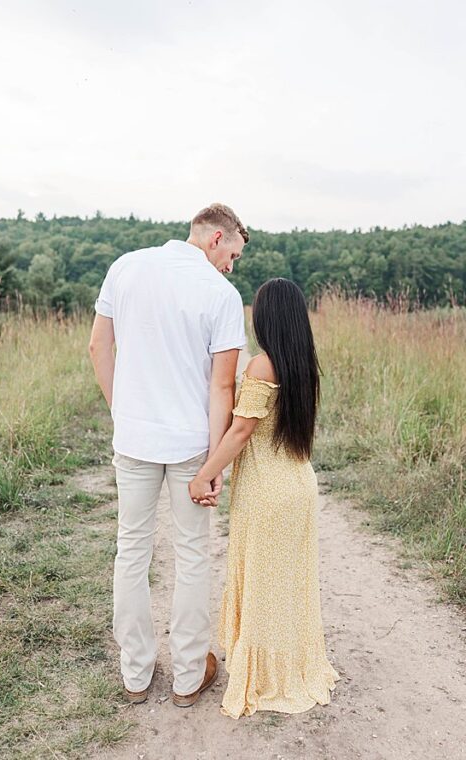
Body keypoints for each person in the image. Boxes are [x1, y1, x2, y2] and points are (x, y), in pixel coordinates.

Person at [88, 203, 248, 707]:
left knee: (131, 550)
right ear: (216, 238)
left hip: (134, 439)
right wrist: (214, 462)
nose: (231, 266)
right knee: (193, 553)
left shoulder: (125, 267)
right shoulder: (220, 294)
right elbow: (222, 386)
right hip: (190, 445)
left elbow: (98, 347)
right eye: (233, 255)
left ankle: (135, 674)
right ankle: (187, 677)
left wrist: (122, 413)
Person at [188, 278, 339, 718]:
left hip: (269, 492)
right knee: (287, 585)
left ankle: (267, 677)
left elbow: (240, 431)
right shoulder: (301, 364)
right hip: (298, 485)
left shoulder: (261, 365)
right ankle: (290, 666)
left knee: (263, 584)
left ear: (266, 317)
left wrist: (204, 476)